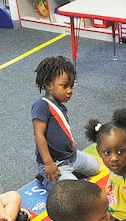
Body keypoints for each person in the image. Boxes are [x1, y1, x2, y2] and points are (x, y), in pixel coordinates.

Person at [32, 56, 101, 191]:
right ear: (48, 85)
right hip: (55, 163)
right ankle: (46, 179)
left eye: (71, 86)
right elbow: (39, 135)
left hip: (71, 156)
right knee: (72, 190)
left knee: (95, 166)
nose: (70, 91)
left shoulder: (60, 105)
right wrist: (48, 163)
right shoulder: (41, 105)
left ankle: (68, 174)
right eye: (64, 86)